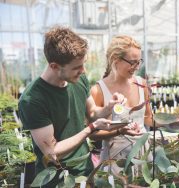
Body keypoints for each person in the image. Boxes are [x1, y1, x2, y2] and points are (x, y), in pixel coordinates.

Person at [18, 27, 132, 186]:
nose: (83, 71)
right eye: (76, 67)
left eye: (83, 64)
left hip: (85, 171)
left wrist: (108, 108)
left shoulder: (79, 80)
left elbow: (92, 112)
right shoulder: (33, 99)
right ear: (54, 66)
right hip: (55, 178)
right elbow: (52, 151)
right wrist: (90, 129)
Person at [89, 35, 153, 173]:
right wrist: (118, 131)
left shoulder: (142, 84)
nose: (136, 67)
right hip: (115, 159)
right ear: (115, 60)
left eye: (139, 62)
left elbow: (148, 119)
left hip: (144, 155)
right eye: (132, 62)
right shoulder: (98, 91)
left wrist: (175, 121)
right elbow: (91, 133)